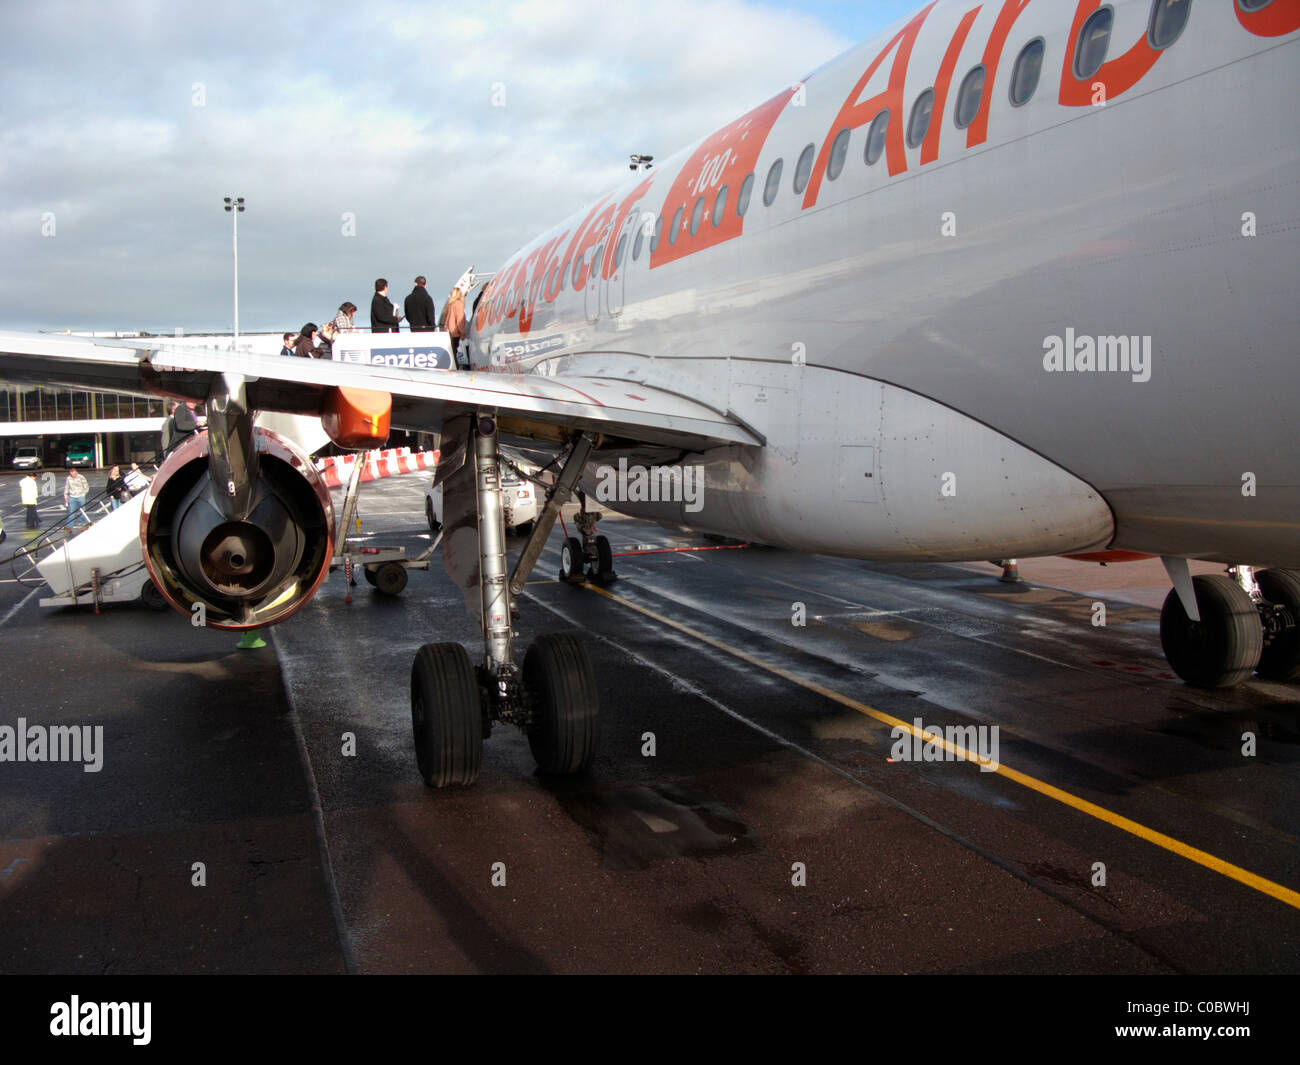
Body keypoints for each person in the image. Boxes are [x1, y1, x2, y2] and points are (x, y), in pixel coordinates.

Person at [439, 284, 468, 366]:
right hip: (456, 333)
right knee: (460, 356)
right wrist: (463, 333)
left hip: (449, 333)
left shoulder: (450, 305)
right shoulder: (459, 304)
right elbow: (460, 320)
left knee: (454, 356)